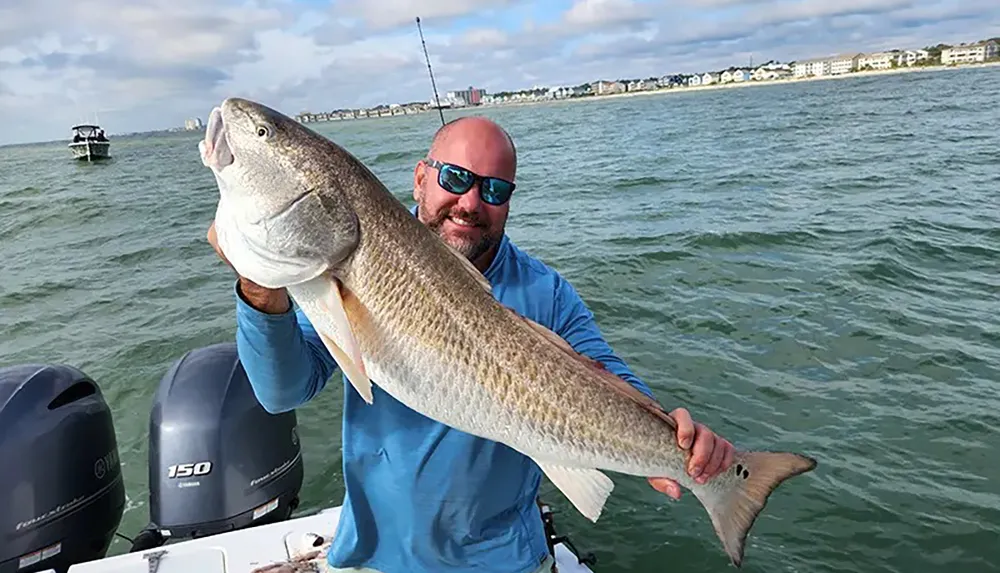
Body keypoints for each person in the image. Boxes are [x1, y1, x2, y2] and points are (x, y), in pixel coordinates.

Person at [206, 116, 736, 573]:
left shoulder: (544, 291)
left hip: (505, 559)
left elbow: (600, 370)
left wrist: (675, 439)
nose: (469, 202)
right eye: (455, 178)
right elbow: (283, 391)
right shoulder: (348, 268)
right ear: (420, 178)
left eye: (494, 189)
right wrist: (260, 288)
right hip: (374, 555)